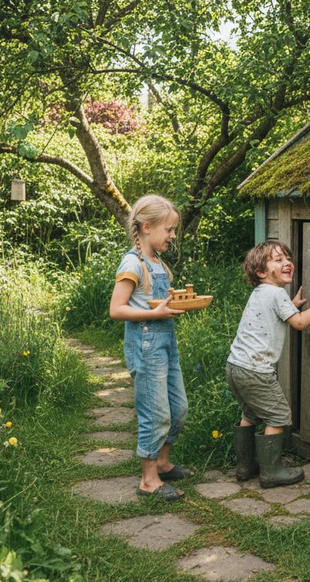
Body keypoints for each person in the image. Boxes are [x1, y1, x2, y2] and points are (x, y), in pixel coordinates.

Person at [226, 240, 310, 488]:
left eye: (287, 258)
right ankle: (271, 472)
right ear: (261, 272)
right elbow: (298, 323)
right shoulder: (276, 294)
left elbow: (274, 315)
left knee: (250, 413)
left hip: (235, 366)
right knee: (277, 415)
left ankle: (245, 467)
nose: (287, 263)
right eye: (278, 260)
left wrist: (292, 306)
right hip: (256, 371)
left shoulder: (260, 293)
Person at [109, 194, 192, 501]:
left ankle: (163, 461)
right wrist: (154, 313)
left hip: (166, 343)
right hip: (146, 346)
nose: (172, 236)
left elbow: (155, 300)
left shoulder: (156, 261)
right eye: (169, 230)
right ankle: (148, 480)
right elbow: (116, 309)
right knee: (155, 413)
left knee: (178, 409)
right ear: (146, 227)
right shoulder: (132, 262)